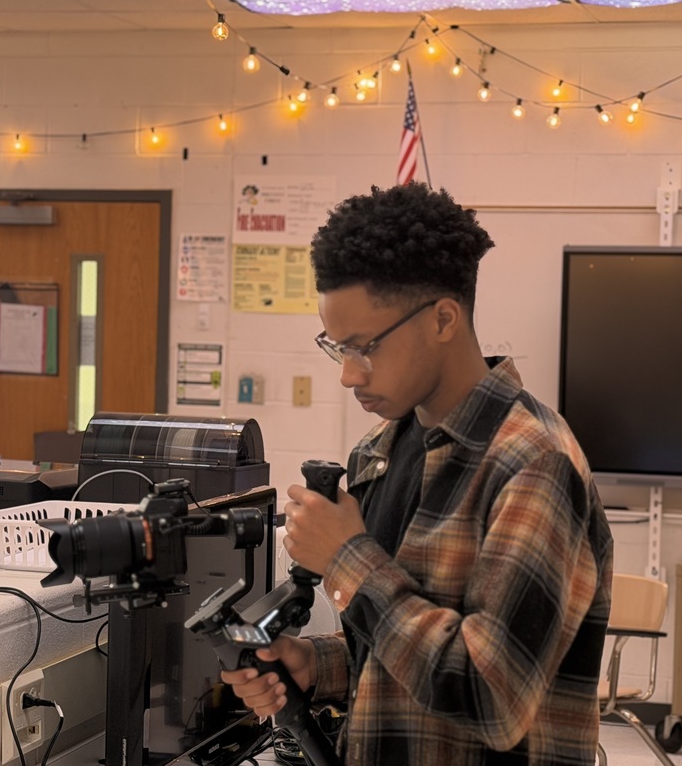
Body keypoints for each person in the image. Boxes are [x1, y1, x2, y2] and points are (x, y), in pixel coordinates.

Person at [222, 182, 614, 765]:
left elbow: (491, 698)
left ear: (444, 319)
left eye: (365, 347)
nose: (349, 376)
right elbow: (398, 645)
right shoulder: (381, 450)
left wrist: (348, 557)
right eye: (337, 348)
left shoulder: (534, 465)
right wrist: (317, 664)